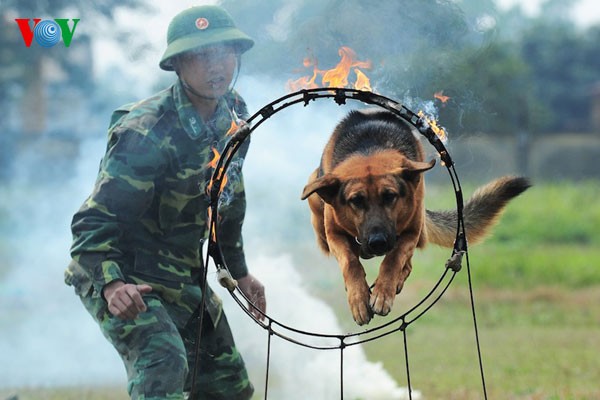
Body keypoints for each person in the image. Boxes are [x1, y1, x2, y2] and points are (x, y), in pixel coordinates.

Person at [64, 5, 266, 400]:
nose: (215, 66)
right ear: (177, 65)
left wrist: (240, 273)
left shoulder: (236, 117)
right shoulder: (147, 132)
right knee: (165, 366)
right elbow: (91, 226)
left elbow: (228, 201)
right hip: (120, 271)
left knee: (228, 386)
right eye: (200, 55)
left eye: (225, 52)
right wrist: (111, 284)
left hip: (180, 274)